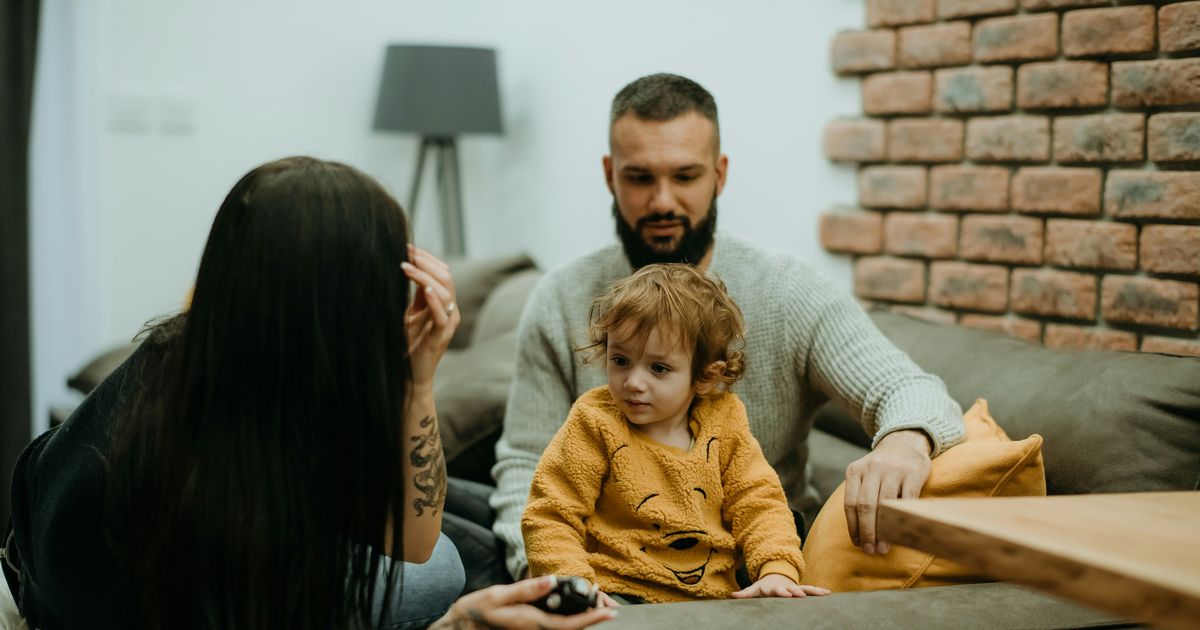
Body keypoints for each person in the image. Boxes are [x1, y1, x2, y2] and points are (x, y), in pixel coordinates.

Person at [4, 157, 613, 630]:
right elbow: (417, 550)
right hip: (90, 600)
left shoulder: (227, 350)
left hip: (76, 561)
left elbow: (406, 531)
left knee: (472, 507)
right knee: (449, 564)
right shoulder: (187, 478)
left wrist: (418, 377)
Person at [491, 74, 967, 581]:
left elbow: (911, 389)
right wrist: (545, 580)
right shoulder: (560, 296)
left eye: (686, 176)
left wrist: (905, 442)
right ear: (610, 175)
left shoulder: (788, 292)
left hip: (750, 567)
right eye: (639, 178)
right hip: (602, 572)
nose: (662, 202)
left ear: (720, 174)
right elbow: (525, 461)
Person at [522, 264, 831, 604]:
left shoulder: (724, 422)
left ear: (704, 377)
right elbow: (551, 513)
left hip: (713, 598)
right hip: (616, 592)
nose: (634, 382)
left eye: (658, 368)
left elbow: (760, 503)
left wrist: (776, 570)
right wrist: (574, 587)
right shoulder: (594, 421)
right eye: (621, 360)